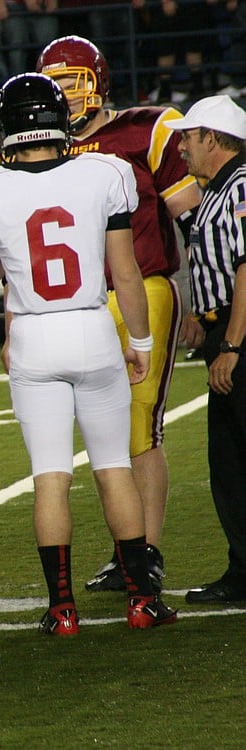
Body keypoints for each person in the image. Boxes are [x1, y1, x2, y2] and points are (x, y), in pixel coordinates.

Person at [0, 73, 177, 635]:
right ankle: (140, 601)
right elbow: (125, 271)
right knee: (113, 468)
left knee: (50, 477)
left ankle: (62, 609)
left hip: (33, 334)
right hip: (91, 326)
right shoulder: (105, 173)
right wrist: (142, 340)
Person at [37, 36, 201, 595]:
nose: (63, 94)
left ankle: (145, 555)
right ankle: (127, 550)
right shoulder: (43, 147)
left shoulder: (144, 129)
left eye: (72, 80)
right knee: (104, 434)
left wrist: (197, 295)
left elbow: (190, 217)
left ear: (99, 83)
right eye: (53, 83)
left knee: (137, 430)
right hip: (76, 305)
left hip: (144, 287)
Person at [165, 95, 246, 605]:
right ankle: (242, 570)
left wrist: (233, 343)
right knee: (230, 463)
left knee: (237, 459)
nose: (181, 147)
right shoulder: (217, 188)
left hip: (241, 339)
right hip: (225, 331)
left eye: (188, 137)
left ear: (212, 138)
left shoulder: (239, 185)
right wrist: (203, 316)